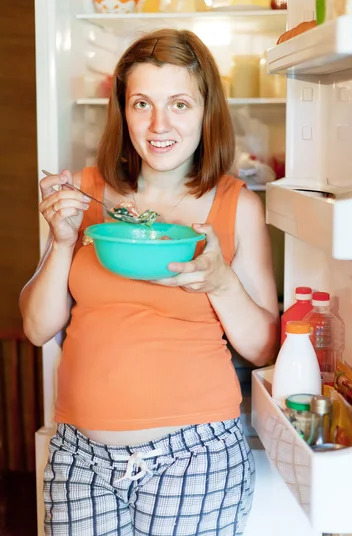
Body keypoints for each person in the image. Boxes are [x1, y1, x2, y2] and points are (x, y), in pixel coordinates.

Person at [20, 28, 279, 536]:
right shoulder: (85, 193)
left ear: (207, 111)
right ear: (123, 110)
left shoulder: (237, 206)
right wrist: (63, 241)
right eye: (142, 103)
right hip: (80, 461)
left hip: (196, 458)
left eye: (180, 103)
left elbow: (265, 347)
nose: (160, 124)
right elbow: (34, 328)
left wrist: (222, 283)